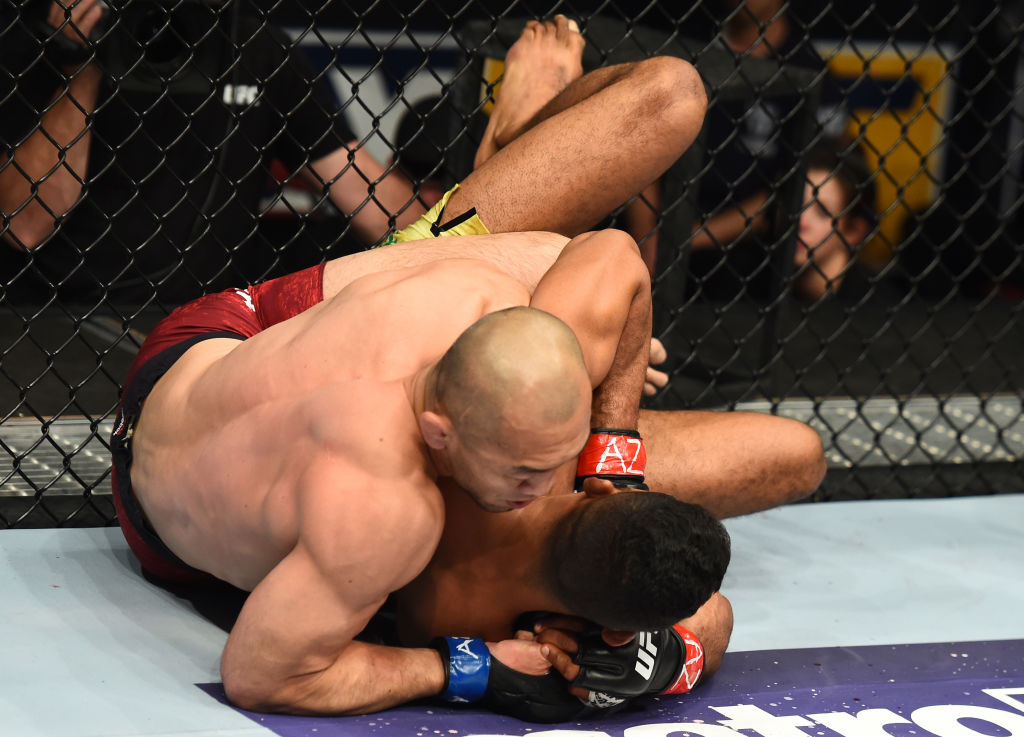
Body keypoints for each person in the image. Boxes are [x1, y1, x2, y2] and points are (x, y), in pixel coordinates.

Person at [0, 0, 423, 305]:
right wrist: (84, 59)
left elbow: (358, 186)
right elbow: (25, 226)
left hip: (200, 325)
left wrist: (465, 228)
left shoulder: (252, 44)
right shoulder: (34, 39)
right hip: (55, 317)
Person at [389, 480, 735, 722]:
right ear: (617, 634)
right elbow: (715, 618)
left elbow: (716, 611)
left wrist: (613, 439)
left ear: (598, 487)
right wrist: (473, 668)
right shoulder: (480, 633)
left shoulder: (541, 431)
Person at [793, 138, 877, 301]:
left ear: (854, 231)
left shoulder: (875, 306)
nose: (800, 222)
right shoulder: (756, 286)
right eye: (794, 205)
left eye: (822, 212)